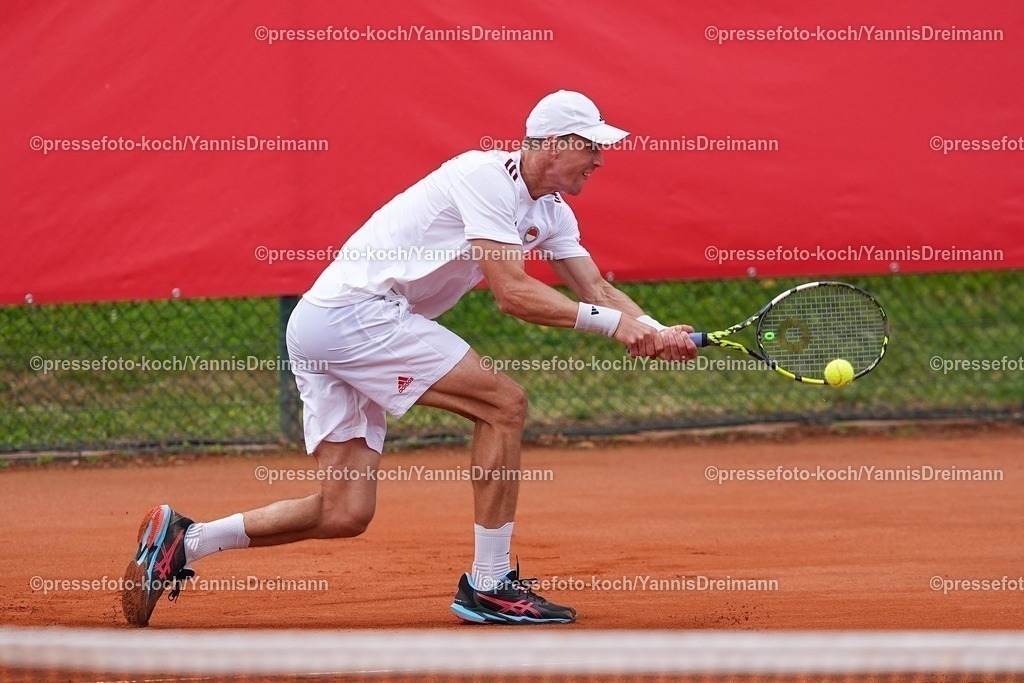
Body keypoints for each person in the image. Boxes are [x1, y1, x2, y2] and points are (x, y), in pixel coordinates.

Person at [121, 89, 698, 627]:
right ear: (552, 145)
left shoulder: (552, 212)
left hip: (327, 326)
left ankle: (184, 541)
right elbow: (513, 294)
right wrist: (618, 328)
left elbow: (596, 289)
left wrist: (654, 329)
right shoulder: (483, 176)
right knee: (504, 404)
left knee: (344, 511)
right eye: (591, 147)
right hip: (357, 314)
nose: (599, 160)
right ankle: (490, 582)